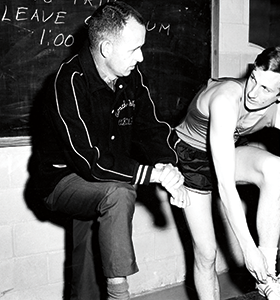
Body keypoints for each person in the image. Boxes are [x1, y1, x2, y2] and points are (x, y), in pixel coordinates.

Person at [30, 2, 189, 300]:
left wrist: (169, 168)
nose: (141, 57)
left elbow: (149, 129)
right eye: (134, 49)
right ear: (105, 48)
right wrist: (153, 175)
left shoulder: (131, 78)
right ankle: (120, 296)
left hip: (100, 180)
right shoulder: (69, 83)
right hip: (61, 182)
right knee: (118, 193)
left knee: (87, 266)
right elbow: (88, 160)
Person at [174, 46, 280, 300]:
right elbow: (224, 186)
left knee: (276, 169)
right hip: (191, 158)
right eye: (254, 78)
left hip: (226, 151)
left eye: (266, 89)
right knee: (206, 252)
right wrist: (247, 248)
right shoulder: (226, 99)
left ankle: (266, 279)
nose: (253, 92)